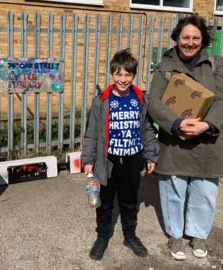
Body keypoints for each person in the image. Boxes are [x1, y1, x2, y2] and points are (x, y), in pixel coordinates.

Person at [147, 14, 223, 260]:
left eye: (195, 38)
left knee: (204, 189)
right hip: (175, 137)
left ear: (203, 39)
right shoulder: (165, 64)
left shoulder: (215, 63)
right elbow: (153, 101)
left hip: (207, 138)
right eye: (185, 37)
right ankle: (175, 235)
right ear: (177, 37)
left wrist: (207, 124)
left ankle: (197, 233)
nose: (190, 42)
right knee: (173, 189)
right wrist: (176, 123)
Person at [81, 48, 159, 261]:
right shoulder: (102, 100)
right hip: (107, 160)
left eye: (127, 75)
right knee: (104, 201)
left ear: (133, 76)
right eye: (118, 74)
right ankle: (102, 236)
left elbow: (147, 129)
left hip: (133, 159)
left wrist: (151, 155)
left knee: (129, 200)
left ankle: (130, 235)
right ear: (112, 74)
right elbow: (92, 133)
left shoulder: (141, 99)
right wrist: (88, 160)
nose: (123, 79)